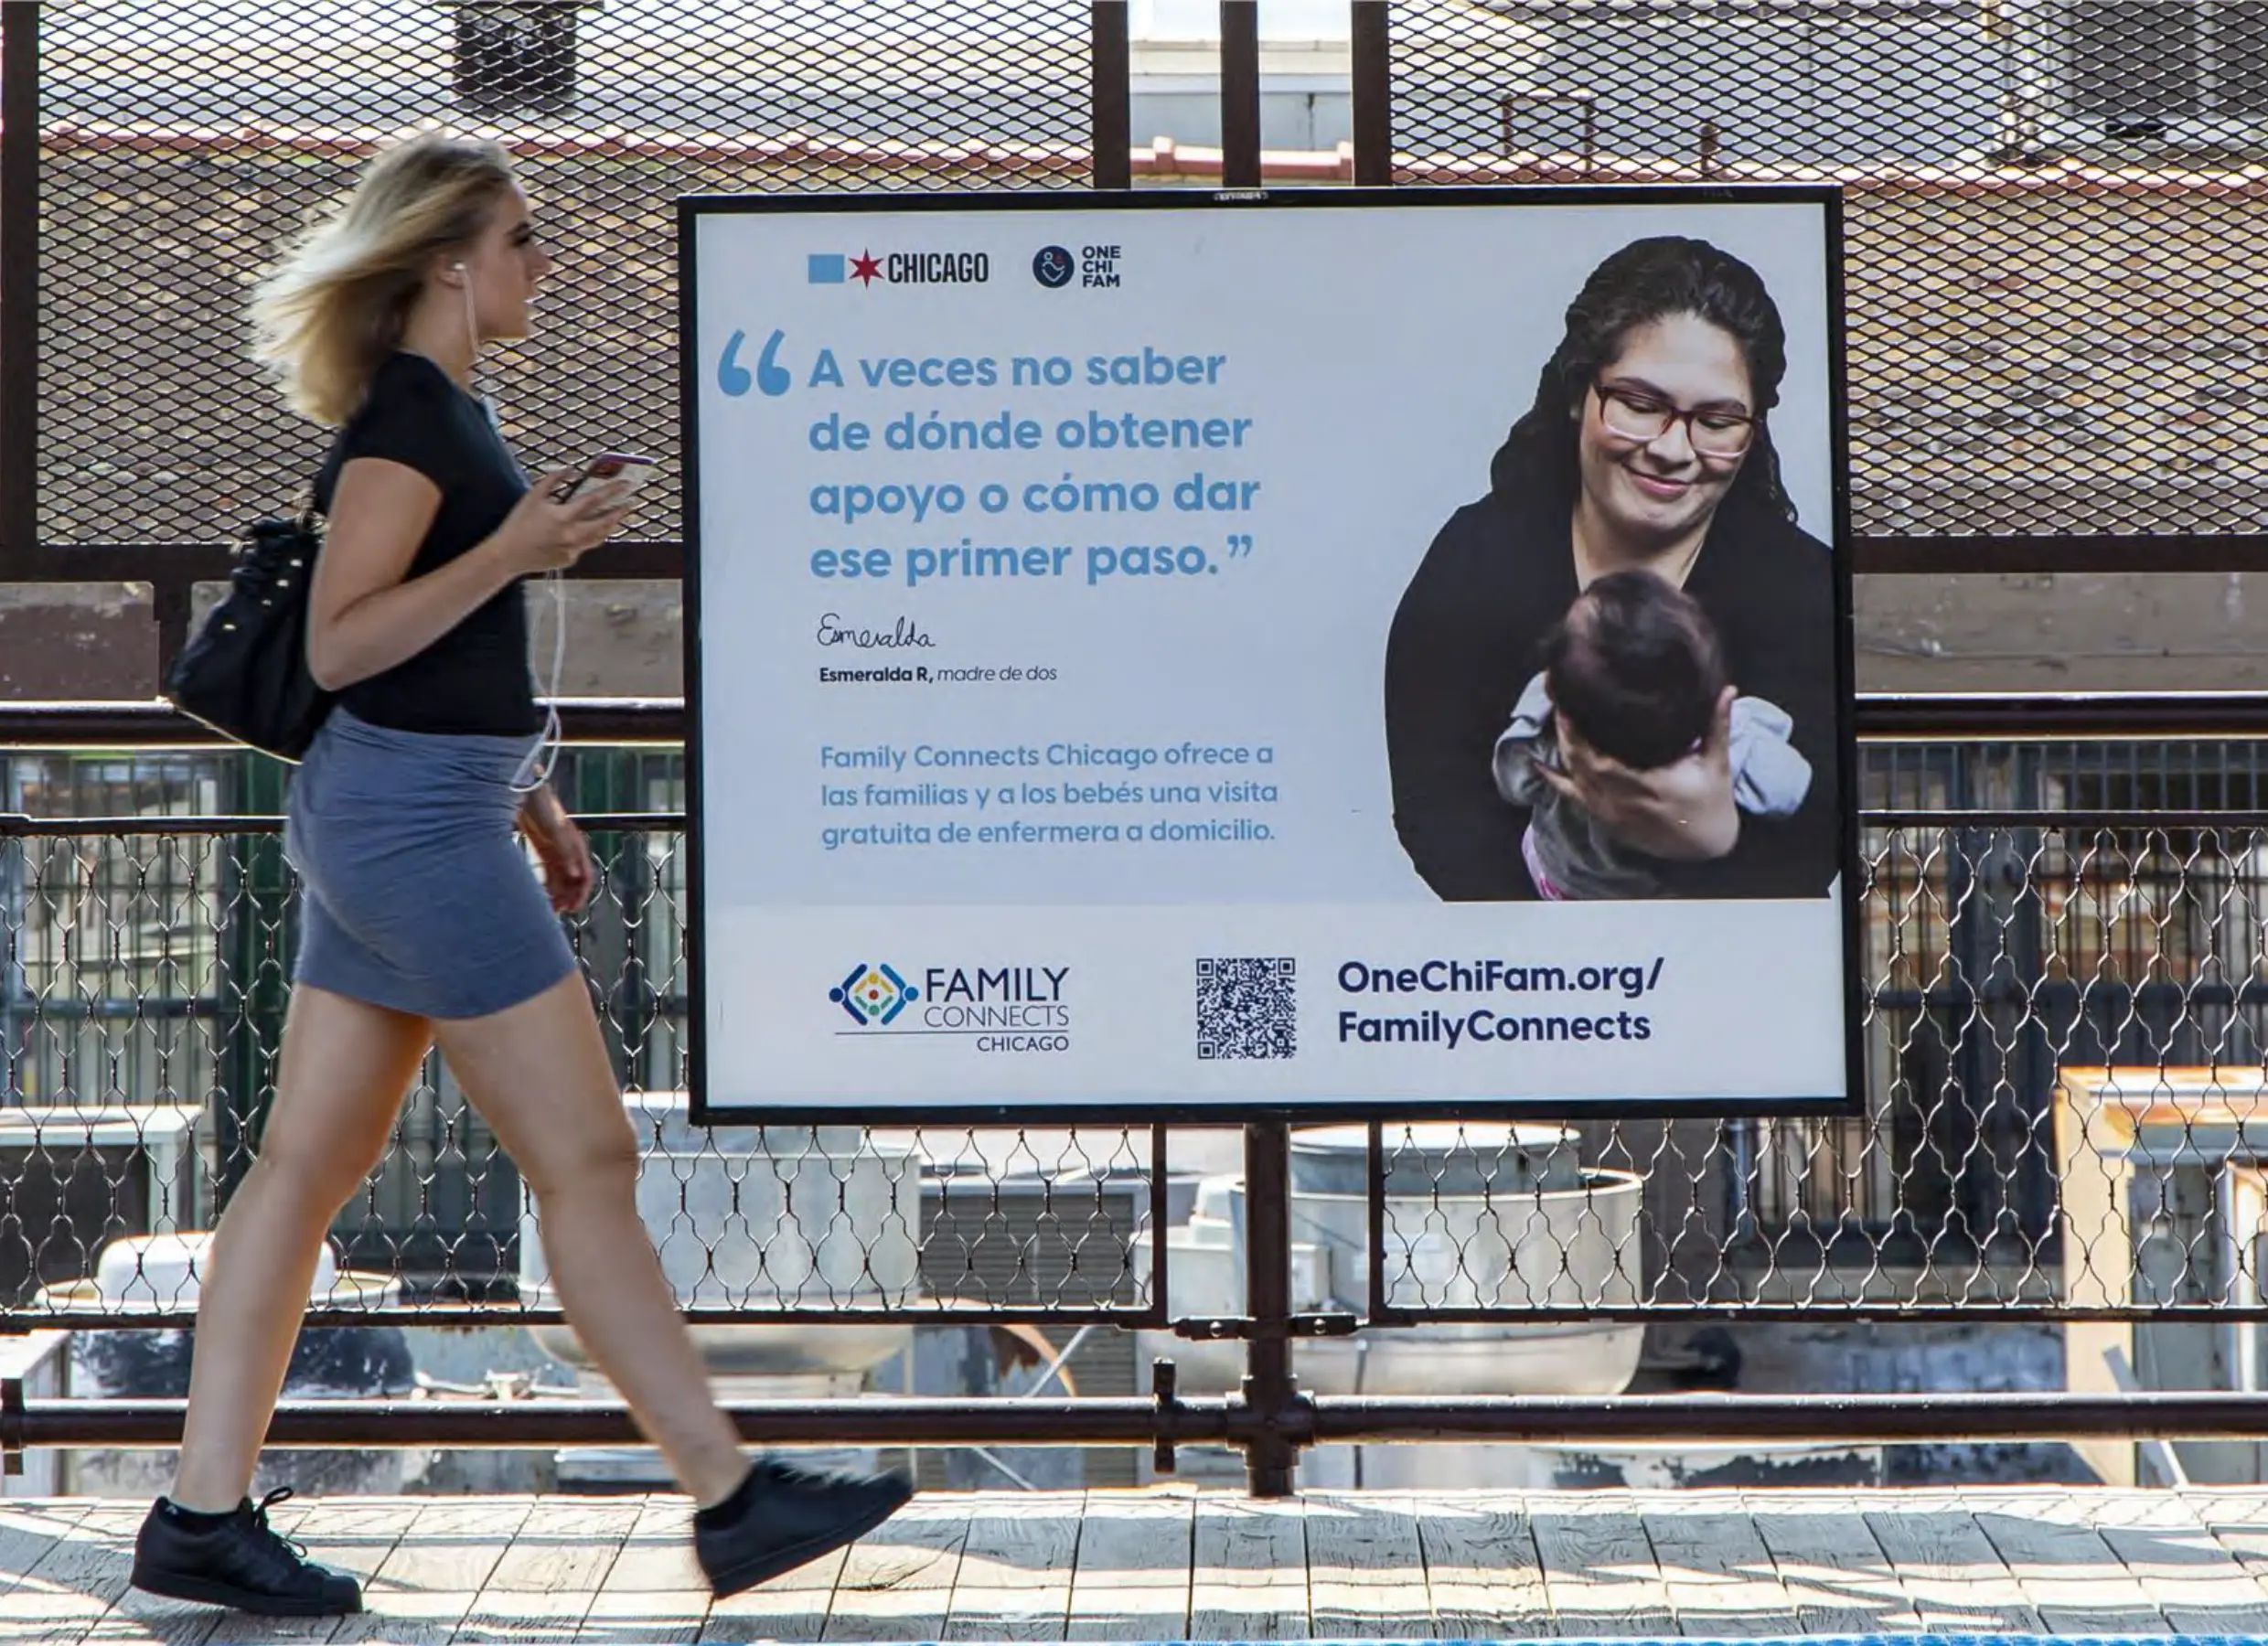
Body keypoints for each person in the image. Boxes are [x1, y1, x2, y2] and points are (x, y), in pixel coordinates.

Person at [128, 132, 911, 1619]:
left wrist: (534, 795)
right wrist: (524, 551)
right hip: (411, 830)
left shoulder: (451, 410)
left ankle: (197, 1521)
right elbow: (350, 645)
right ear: (445, 257)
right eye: (524, 237)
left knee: (301, 1174)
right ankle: (731, 1498)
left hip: (424, 813)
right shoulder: (406, 426)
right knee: (591, 1163)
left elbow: (436, 670)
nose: (546, 260)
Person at [1384, 234, 1842, 902]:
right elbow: (1436, 803)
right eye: (1640, 404)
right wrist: (1567, 951)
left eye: (1716, 420)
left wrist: (1700, 834)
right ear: (1579, 394)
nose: (1672, 449)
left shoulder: (1801, 591)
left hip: (1728, 969)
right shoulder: (1477, 559)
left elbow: (1816, 828)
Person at [1492, 569, 1813, 901]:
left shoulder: (1547, 739)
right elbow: (1790, 788)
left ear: (1557, 695)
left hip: (1564, 883)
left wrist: (1537, 717)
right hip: (1654, 906)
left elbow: (1513, 786)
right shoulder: (1735, 741)